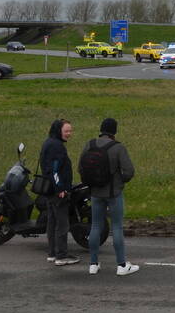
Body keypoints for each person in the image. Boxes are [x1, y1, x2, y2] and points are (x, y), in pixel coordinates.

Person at [84, 118, 139, 276]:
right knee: (116, 227)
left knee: (95, 226)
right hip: (113, 193)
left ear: (101, 129)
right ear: (114, 131)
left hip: (95, 192)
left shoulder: (90, 144)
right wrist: (119, 182)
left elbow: (82, 167)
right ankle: (121, 265)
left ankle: (93, 264)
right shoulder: (118, 147)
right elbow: (129, 171)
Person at [41, 119, 78, 265]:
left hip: (49, 191)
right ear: (59, 131)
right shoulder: (57, 147)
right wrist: (61, 189)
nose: (69, 134)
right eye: (66, 131)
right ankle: (61, 256)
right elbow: (54, 170)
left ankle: (52, 253)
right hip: (57, 192)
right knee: (62, 224)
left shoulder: (49, 142)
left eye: (70, 130)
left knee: (52, 222)